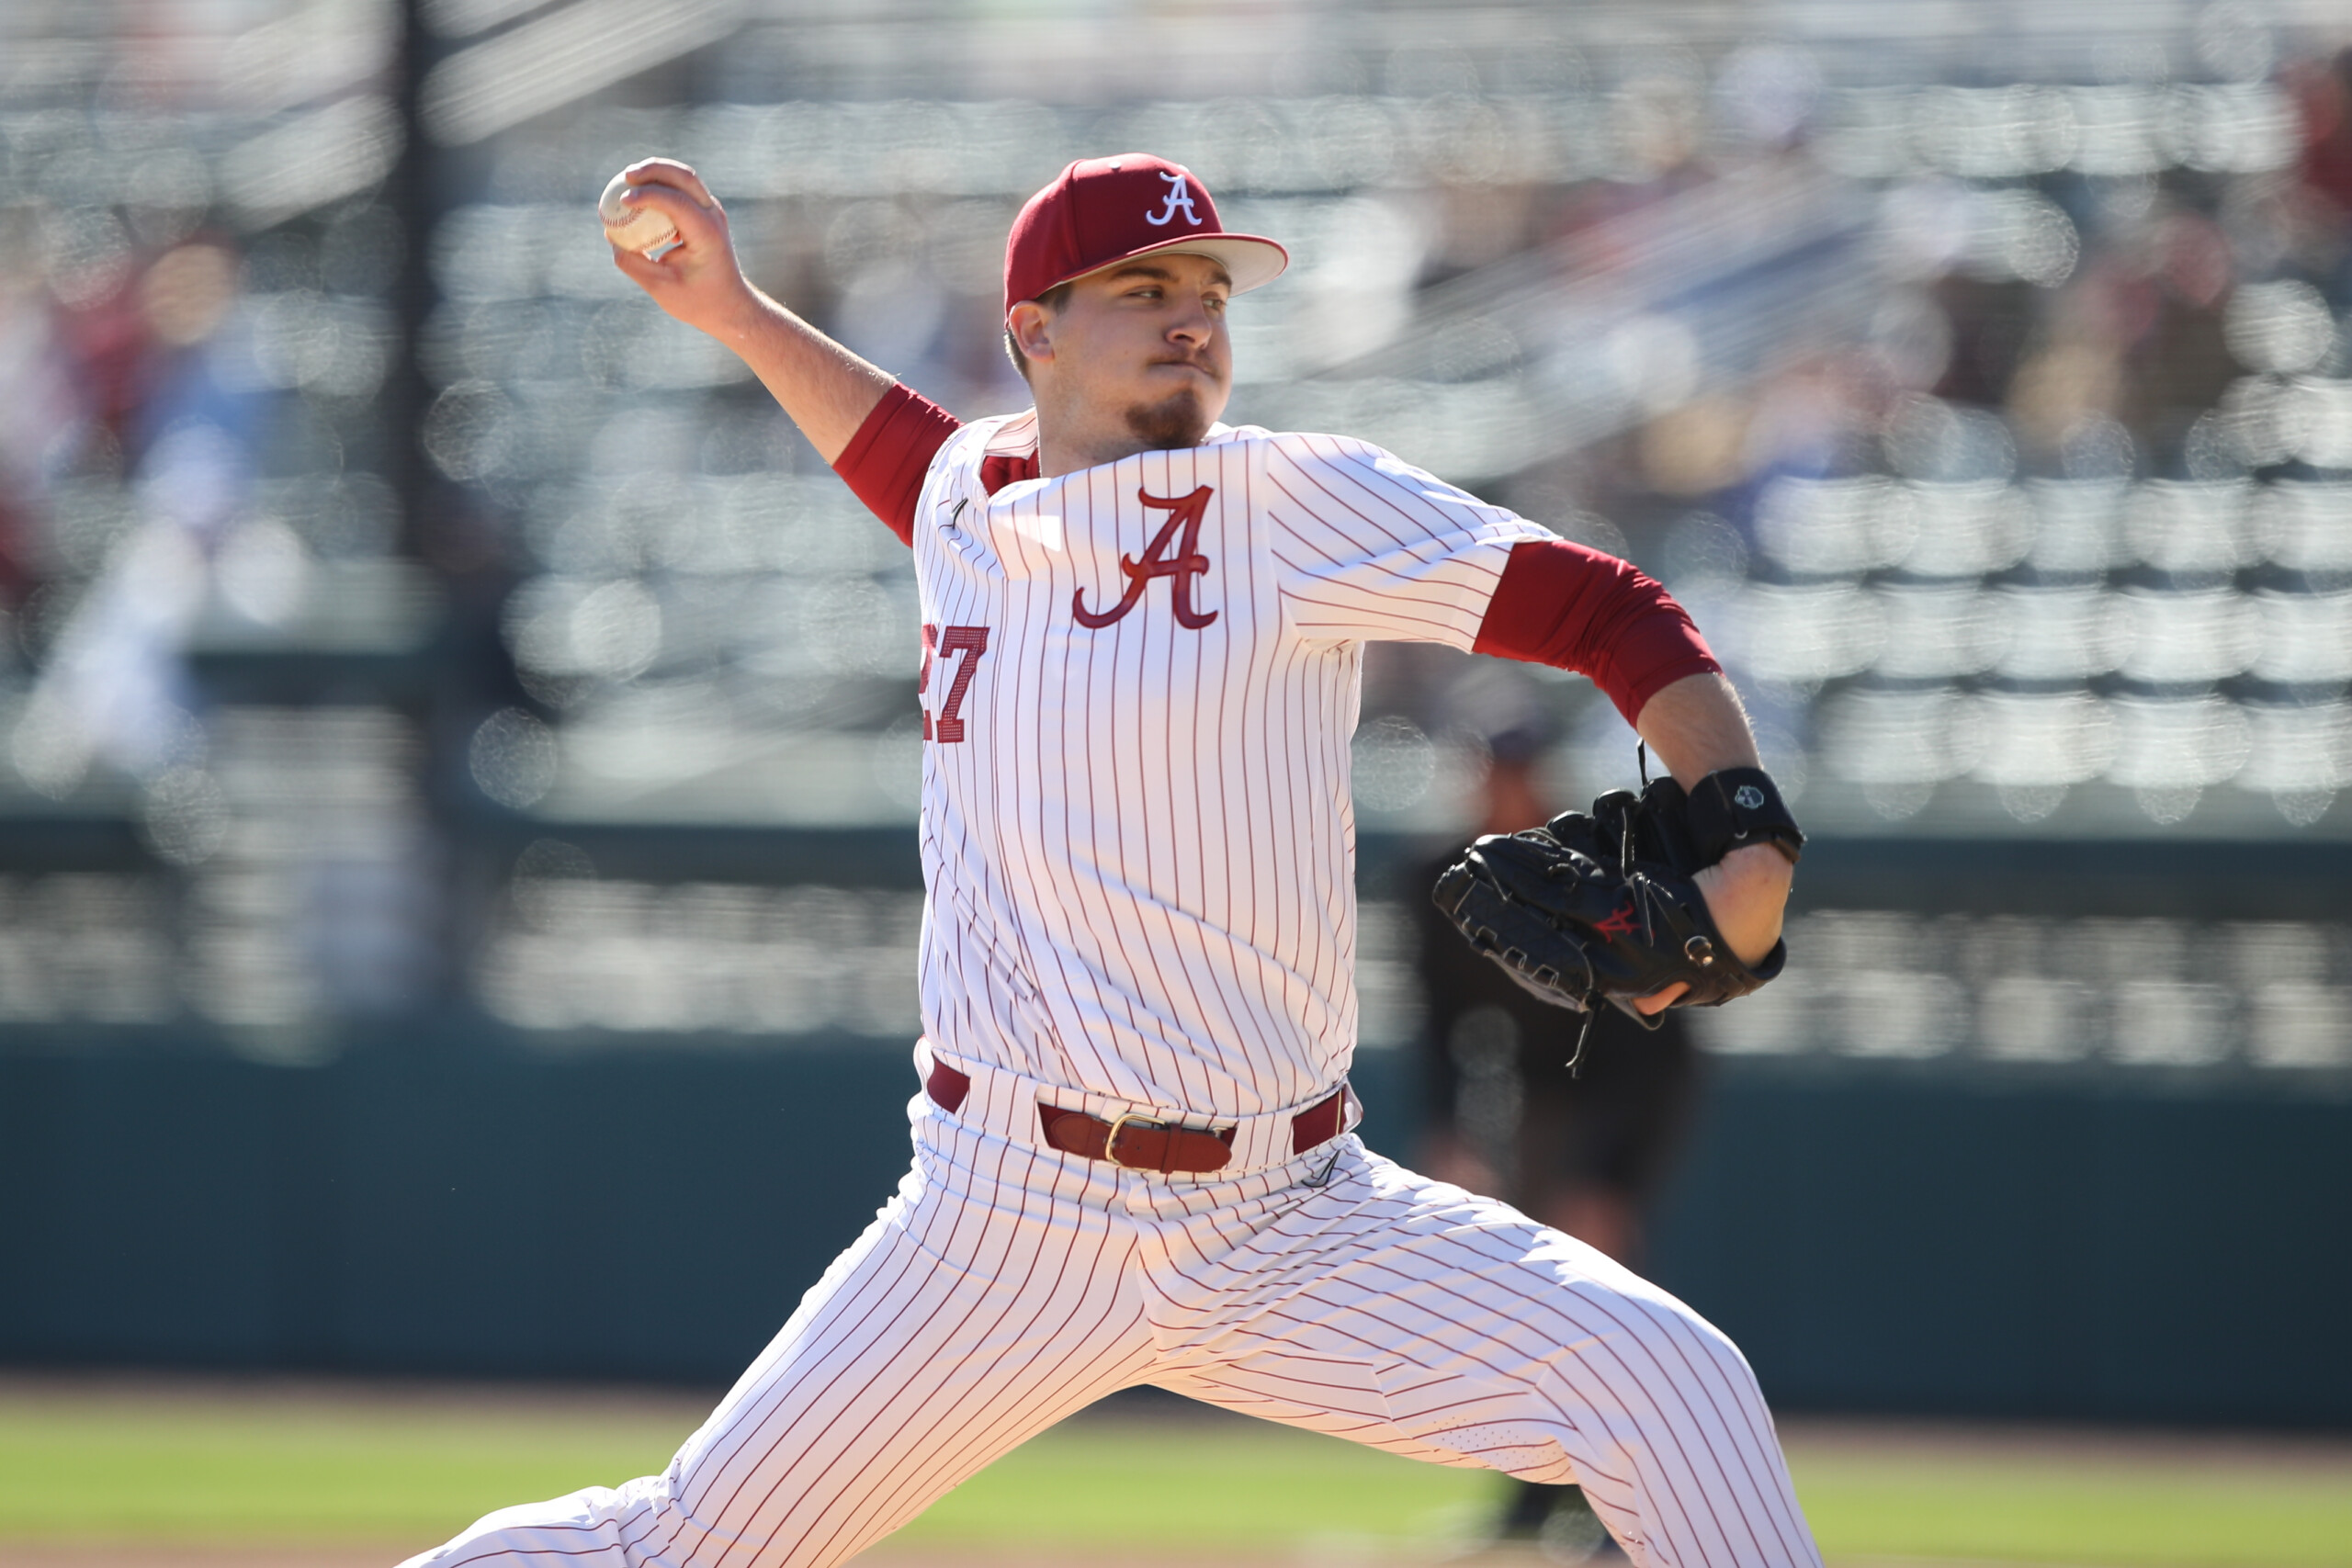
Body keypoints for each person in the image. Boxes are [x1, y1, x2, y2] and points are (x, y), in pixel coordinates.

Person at [401, 152, 1815, 1568]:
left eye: (1209, 291)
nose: (1192, 315)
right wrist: (739, 310)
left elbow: (1613, 612)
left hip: (1291, 1216)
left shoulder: (1292, 507)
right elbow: (904, 451)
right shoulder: (969, 499)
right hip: (999, 1218)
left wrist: (1745, 831)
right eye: (1144, 289)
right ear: (1034, 331)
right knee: (681, 1543)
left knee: (1673, 1384)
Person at [1408, 673, 1704, 1562]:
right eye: (1489, 765)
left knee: (1608, 1302)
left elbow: (1655, 1041)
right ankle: (1535, 1498)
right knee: (1530, 1308)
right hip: (1537, 1098)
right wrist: (1449, 1129)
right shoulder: (1438, 876)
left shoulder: (1595, 869)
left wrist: (1608, 1175)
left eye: (1517, 764)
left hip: (1627, 1090)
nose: (1502, 781)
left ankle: (1634, 1507)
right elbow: (1436, 1022)